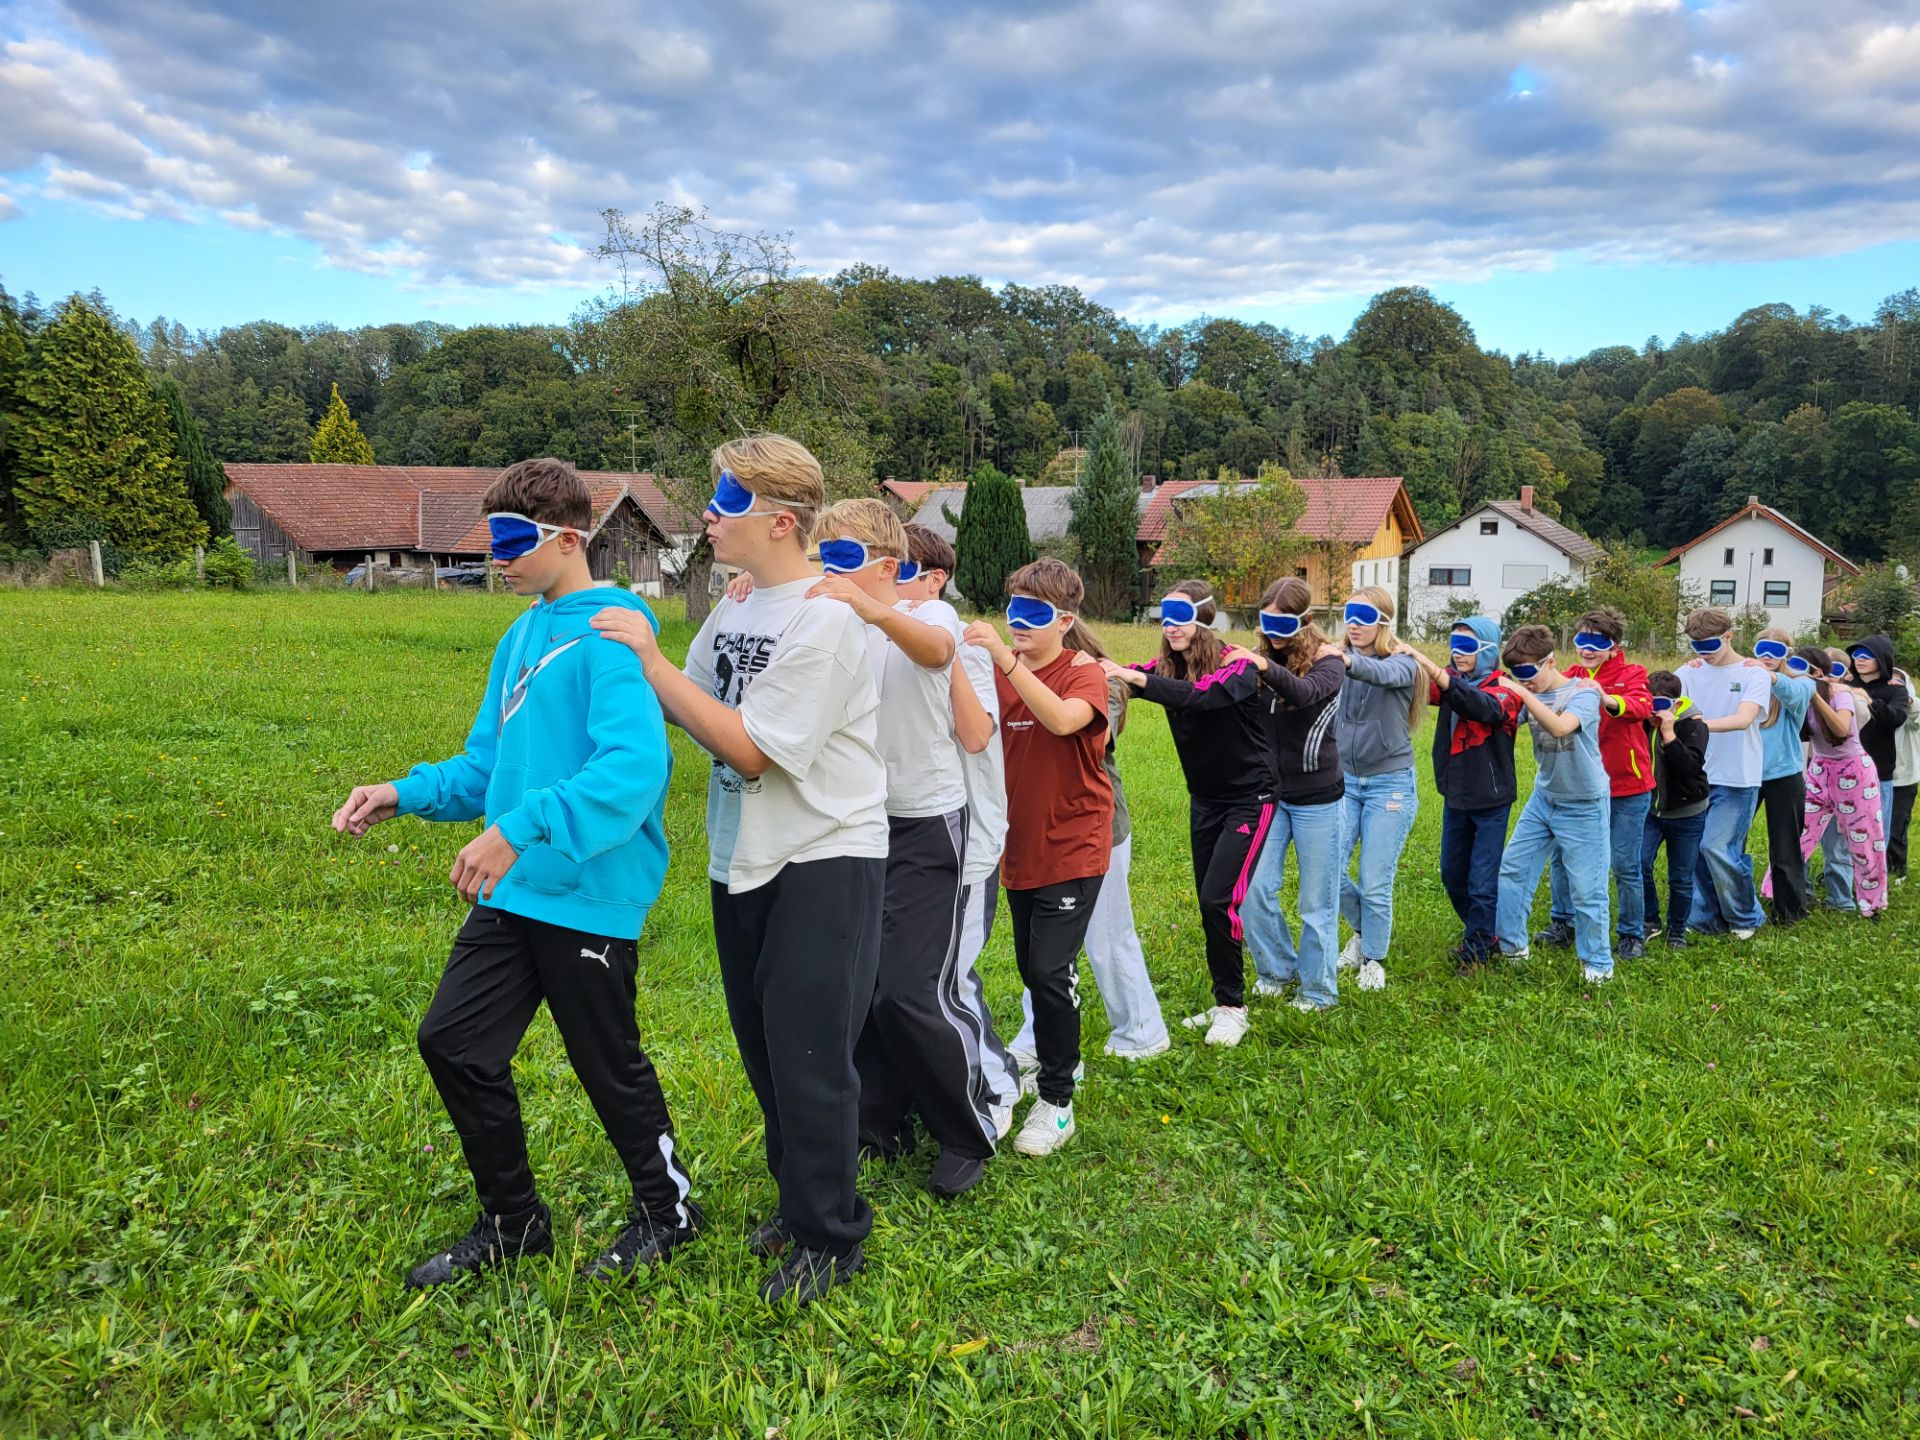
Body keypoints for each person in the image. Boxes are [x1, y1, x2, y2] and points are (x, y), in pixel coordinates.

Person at [331, 457, 691, 1290]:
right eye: (491, 540)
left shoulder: (611, 632)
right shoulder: (521, 631)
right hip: (520, 888)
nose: (497, 556)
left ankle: (668, 1211)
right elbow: (490, 763)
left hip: (591, 891)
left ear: (569, 538)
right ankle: (514, 1221)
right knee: (453, 1042)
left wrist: (520, 830)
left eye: (512, 540)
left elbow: (634, 770)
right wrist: (405, 792)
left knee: (607, 1064)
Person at [593, 434, 887, 1306]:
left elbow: (751, 750)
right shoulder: (738, 607)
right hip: (741, 855)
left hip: (824, 854)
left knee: (811, 1054)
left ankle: (832, 1237)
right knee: (764, 1048)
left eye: (726, 506)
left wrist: (649, 659)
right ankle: (801, 1202)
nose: (709, 519)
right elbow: (689, 702)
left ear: (781, 521)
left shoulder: (828, 622)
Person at [804, 499, 999, 1200]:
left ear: (892, 568)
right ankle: (879, 1125)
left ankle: (967, 1130)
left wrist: (872, 607)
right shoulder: (824, 611)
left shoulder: (927, 616)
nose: (832, 573)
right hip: (854, 826)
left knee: (912, 989)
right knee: (861, 989)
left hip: (926, 823)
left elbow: (938, 652)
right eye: (823, 557)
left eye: (847, 559)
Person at [962, 558, 1113, 1159]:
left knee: (1051, 972)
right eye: (1013, 610)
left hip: (1073, 844)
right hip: (1016, 846)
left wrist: (1005, 658)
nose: (1019, 622)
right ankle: (1063, 1061)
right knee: (1032, 970)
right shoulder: (1000, 673)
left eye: (1034, 614)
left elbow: (1059, 720)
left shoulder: (1084, 673)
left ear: (1066, 620)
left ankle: (1057, 1100)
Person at [1104, 581, 1273, 1048]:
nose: (1171, 625)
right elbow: (1135, 677)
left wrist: (1135, 678)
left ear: (1204, 617)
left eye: (1180, 615)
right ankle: (1223, 999)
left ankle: (1233, 1009)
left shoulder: (1234, 665)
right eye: (1165, 615)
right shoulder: (1163, 668)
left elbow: (1198, 696)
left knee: (1220, 900)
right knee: (1207, 898)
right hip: (1205, 799)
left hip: (1251, 798)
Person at [898, 525, 1024, 1137]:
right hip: (901, 832)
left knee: (949, 975)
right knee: (904, 977)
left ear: (935, 578)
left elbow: (976, 736)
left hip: (966, 834)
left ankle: (996, 1084)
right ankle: (927, 1090)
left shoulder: (959, 640)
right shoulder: (885, 631)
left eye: (904, 570)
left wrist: (944, 657)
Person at [1008, 623, 1170, 1066]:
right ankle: (1035, 1034)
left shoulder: (1102, 682)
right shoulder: (1023, 674)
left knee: (1107, 936)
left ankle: (1142, 1030)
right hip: (1042, 830)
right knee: (1045, 952)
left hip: (1098, 830)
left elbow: (1074, 732)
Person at [1226, 577, 1348, 1010]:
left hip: (1319, 798)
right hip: (1269, 797)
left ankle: (1318, 991)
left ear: (1306, 620)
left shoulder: (1329, 662)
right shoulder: (1256, 660)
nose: (1274, 633)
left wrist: (1262, 668)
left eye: (1284, 623)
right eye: (1266, 622)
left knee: (1316, 902)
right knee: (1253, 890)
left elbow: (1305, 693)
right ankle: (1277, 970)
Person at [1490, 625, 1614, 983]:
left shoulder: (1583, 694)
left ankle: (1598, 964)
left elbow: (1561, 727)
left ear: (1551, 661)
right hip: (1544, 798)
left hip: (1585, 803)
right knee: (1512, 870)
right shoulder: (1528, 693)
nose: (1525, 682)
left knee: (1588, 890)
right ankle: (1513, 948)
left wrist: (1519, 693)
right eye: (1517, 676)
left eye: (1530, 673)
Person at [1403, 616, 1523, 975]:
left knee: (1482, 881)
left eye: (1468, 647)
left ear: (1487, 650)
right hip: (1455, 796)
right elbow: (1423, 685)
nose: (1458, 654)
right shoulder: (1453, 680)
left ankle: (1478, 952)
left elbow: (1480, 706)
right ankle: (1483, 934)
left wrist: (1441, 676)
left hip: (1491, 799)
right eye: (1453, 645)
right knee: (1452, 875)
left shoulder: (1506, 688)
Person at [1540, 609, 1655, 958]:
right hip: (1579, 788)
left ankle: (1632, 933)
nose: (1588, 649)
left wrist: (1606, 698)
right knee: (1562, 857)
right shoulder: (1568, 675)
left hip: (1627, 788)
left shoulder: (1633, 673)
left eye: (1598, 642)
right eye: (1582, 640)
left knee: (1624, 863)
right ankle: (1564, 920)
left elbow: (1641, 707)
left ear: (1614, 645)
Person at [1333, 586, 1424, 991]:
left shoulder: (1402, 663)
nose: (1354, 623)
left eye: (1364, 617)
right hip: (1344, 782)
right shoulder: (1337, 660)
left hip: (1390, 785)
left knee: (1374, 880)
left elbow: (1379, 673)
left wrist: (1345, 661)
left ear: (1384, 622)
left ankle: (1373, 958)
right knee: (1326, 870)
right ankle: (1362, 931)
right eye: (1350, 614)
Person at [1677, 607, 1769, 939]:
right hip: (1697, 776)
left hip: (1737, 777)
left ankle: (1746, 917)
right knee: (1698, 850)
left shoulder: (1752, 674)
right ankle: (1707, 917)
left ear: (1729, 636)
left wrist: (1695, 726)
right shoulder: (1687, 673)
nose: (1704, 655)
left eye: (1710, 646)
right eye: (1696, 647)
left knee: (1718, 847)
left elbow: (1744, 718)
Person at [1791, 644, 1889, 919]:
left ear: (1817, 672)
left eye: (1800, 669)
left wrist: (1816, 695)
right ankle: (1785, 895)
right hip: (1819, 769)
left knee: (1864, 841)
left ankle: (1872, 905)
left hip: (1854, 772)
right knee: (1799, 834)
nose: (1794, 674)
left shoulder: (1841, 694)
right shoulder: (1796, 694)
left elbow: (1841, 729)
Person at [1640, 669, 1711, 949]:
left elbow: (1689, 768)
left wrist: (1669, 734)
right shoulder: (1639, 724)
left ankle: (1677, 930)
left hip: (1687, 812)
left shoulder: (1693, 726)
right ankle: (1649, 919)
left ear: (1676, 704)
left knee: (1681, 876)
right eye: (1649, 703)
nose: (1655, 711)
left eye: (1661, 705)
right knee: (1638, 863)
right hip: (1648, 811)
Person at [1750, 626, 1816, 924]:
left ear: (1787, 654)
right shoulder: (1747, 675)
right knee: (1728, 842)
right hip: (1745, 774)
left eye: (1775, 651)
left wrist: (1773, 677)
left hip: (1784, 775)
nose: (1766, 656)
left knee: (1786, 846)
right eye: (1761, 649)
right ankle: (1735, 905)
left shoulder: (1801, 682)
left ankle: (1789, 911)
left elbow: (1797, 697)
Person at [1849, 635, 1910, 847]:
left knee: (1876, 832)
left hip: (1879, 770)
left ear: (1882, 659)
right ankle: (1845, 876)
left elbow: (1897, 718)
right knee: (1844, 830)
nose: (1860, 659)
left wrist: (1870, 701)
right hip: (1845, 769)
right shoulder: (1844, 684)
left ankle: (1876, 878)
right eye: (1856, 654)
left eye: (1868, 655)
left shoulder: (1895, 689)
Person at [1890, 660, 1920, 883]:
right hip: (1873, 777)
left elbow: (1916, 713)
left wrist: (1905, 698)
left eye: (1898, 682)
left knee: (1896, 826)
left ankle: (1896, 868)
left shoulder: (1911, 714)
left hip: (1903, 778)